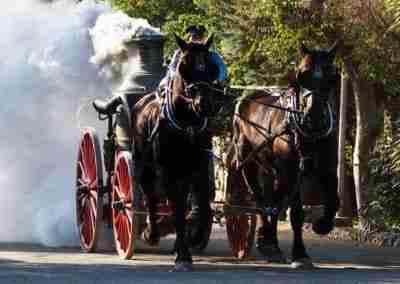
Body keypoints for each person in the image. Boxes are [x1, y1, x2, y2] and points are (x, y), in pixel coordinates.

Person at [158, 24, 227, 96]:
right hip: (183, 82)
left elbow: (222, 68)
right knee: (162, 85)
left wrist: (218, 80)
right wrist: (176, 78)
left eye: (199, 37)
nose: (197, 39)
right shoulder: (179, 53)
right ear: (189, 38)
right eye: (194, 36)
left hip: (207, 83)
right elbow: (172, 67)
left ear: (203, 38)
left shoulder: (211, 54)